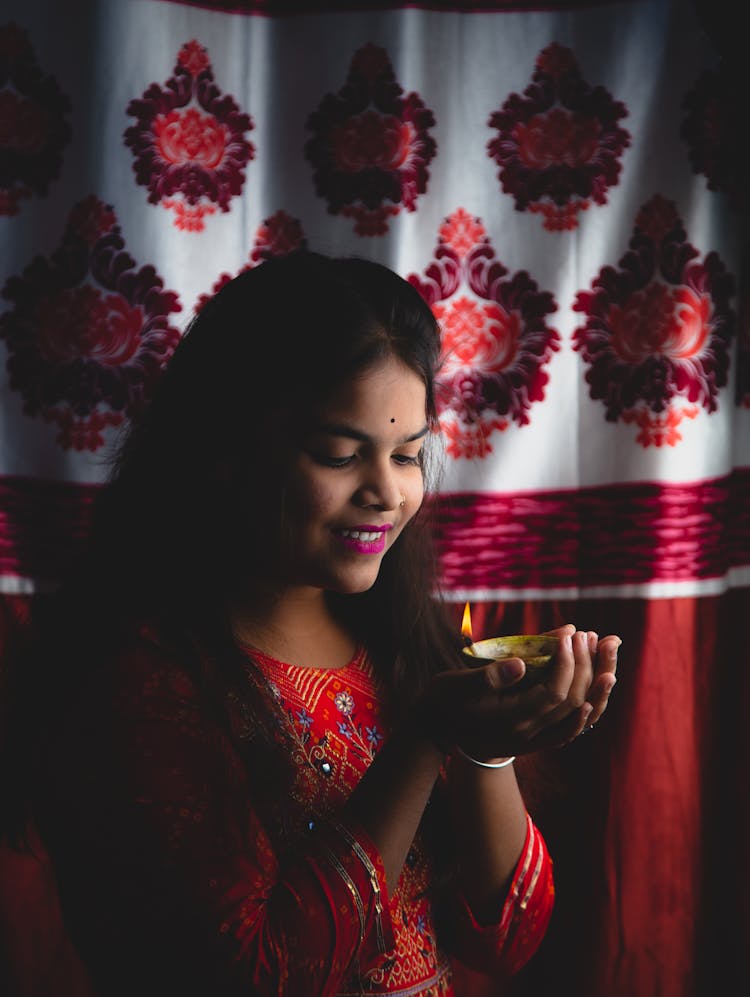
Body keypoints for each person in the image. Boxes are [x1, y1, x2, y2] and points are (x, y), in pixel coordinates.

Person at [0, 249, 621, 997]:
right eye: (340, 454)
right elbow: (257, 976)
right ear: (228, 449)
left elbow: (507, 937)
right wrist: (423, 738)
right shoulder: (141, 676)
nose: (387, 492)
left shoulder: (398, 641)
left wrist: (484, 751)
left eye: (408, 455)